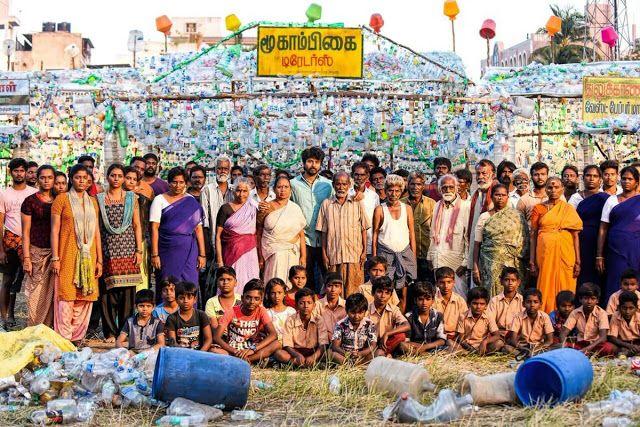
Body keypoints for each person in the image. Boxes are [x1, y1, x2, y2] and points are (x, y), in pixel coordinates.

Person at [51, 164, 102, 343]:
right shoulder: (62, 200)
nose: (82, 181)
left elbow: (96, 233)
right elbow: (54, 231)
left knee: (84, 298)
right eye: (78, 177)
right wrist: (55, 257)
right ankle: (63, 339)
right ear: (71, 179)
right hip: (67, 255)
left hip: (89, 256)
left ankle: (76, 338)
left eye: (85, 178)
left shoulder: (93, 202)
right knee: (66, 296)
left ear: (89, 181)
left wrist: (99, 261)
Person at [97, 164, 144, 343]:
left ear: (124, 178)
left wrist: (138, 250)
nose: (116, 178)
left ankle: (124, 332)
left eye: (119, 175)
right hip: (108, 250)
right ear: (107, 177)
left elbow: (137, 225)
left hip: (128, 250)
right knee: (107, 295)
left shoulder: (132, 198)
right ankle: (109, 333)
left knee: (127, 295)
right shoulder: (99, 199)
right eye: (113, 175)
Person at [530, 177, 583, 313]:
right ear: (545, 189)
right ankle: (545, 317)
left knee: (567, 284)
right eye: (550, 187)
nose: (553, 190)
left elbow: (575, 235)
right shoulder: (538, 208)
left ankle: (567, 320)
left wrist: (578, 261)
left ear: (562, 189)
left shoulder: (568, 209)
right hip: (545, 253)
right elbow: (534, 235)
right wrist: (532, 261)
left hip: (566, 253)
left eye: (556, 187)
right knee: (545, 283)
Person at [150, 167, 206, 292]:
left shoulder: (191, 201)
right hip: (166, 250)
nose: (178, 186)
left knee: (189, 284)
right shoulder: (159, 200)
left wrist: (202, 254)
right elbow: (154, 228)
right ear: (169, 182)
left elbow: (198, 229)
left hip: (189, 251)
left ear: (186, 183)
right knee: (167, 284)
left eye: (181, 182)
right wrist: (155, 255)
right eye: (174, 182)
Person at [317, 172, 369, 297]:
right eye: (338, 184)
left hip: (354, 254)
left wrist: (364, 252)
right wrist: (324, 254)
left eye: (344, 184)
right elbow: (323, 232)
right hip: (334, 254)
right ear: (333, 185)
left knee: (355, 291)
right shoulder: (326, 204)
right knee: (334, 292)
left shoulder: (357, 203)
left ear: (349, 185)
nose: (341, 187)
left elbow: (364, 229)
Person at [290, 147, 334, 294]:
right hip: (304, 238)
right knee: (304, 277)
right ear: (304, 163)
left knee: (327, 277)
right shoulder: (293, 184)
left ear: (321, 164)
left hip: (324, 238)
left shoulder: (328, 184)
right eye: (310, 161)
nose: (313, 165)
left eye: (316, 162)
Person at [0, 158, 38, 328]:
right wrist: (1, 249)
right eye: (16, 171)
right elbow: (0, 223)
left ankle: (35, 318)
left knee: (31, 280)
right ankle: (6, 316)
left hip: (29, 242)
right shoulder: (4, 193)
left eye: (22, 170)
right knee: (7, 280)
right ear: (11, 173)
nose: (19, 174)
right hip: (9, 240)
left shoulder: (33, 193)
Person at [472, 184, 528, 297]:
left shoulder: (517, 216)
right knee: (491, 294)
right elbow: (477, 244)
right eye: (497, 195)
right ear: (492, 196)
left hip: (513, 263)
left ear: (508, 197)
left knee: (513, 292)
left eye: (503, 195)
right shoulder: (484, 217)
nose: (500, 198)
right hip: (490, 263)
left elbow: (524, 238)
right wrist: (475, 268)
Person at [372, 174, 417, 311]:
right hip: (386, 255)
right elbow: (375, 233)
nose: (394, 194)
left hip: (404, 254)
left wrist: (412, 257)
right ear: (385, 190)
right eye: (390, 190)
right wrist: (375, 258)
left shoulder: (407, 208)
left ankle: (400, 323)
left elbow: (411, 234)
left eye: (397, 190)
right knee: (386, 292)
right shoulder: (380, 209)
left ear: (401, 191)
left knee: (403, 292)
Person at [596, 166, 640, 301]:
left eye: (630, 179)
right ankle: (612, 314)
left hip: (636, 249)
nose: (626, 181)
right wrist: (599, 255)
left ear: (637, 182)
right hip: (615, 250)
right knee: (616, 279)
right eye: (624, 179)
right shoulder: (611, 200)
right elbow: (603, 228)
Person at [212, 279, 280, 363]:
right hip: (234, 349)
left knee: (277, 344)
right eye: (248, 297)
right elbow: (216, 337)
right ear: (242, 298)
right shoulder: (232, 311)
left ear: (260, 301)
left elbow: (273, 334)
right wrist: (234, 351)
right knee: (214, 351)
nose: (252, 302)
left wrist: (253, 349)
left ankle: (247, 360)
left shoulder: (261, 310)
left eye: (256, 299)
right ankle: (248, 359)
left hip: (252, 349)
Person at [21, 165, 56, 327]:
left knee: (53, 292)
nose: (46, 181)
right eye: (43, 177)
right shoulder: (30, 201)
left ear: (54, 179)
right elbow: (25, 231)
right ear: (38, 179)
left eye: (49, 177)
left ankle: (49, 328)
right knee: (35, 291)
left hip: (56, 253)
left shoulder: (60, 200)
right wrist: (26, 257)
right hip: (36, 251)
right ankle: (34, 326)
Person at [257, 176, 306, 285]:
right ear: (274, 189)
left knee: (291, 284)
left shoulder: (295, 208)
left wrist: (303, 257)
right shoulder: (266, 206)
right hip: (273, 253)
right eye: (279, 187)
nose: (283, 190)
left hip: (292, 252)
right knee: (274, 284)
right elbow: (259, 233)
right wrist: (260, 257)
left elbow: (301, 234)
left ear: (290, 190)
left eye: (286, 187)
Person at [428, 174, 470, 296]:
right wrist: (430, 257)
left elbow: (467, 237)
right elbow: (433, 234)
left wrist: (465, 263)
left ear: (457, 188)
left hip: (456, 263)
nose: (447, 190)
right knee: (439, 297)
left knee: (459, 297)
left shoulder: (465, 207)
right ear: (439, 189)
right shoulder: (436, 206)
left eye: (451, 187)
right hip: (438, 259)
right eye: (444, 187)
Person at [216, 177, 259, 293]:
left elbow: (258, 232)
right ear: (233, 191)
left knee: (250, 284)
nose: (241, 194)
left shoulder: (254, 208)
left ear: (249, 192)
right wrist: (220, 261)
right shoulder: (225, 208)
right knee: (229, 283)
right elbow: (218, 236)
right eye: (238, 190)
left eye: (245, 191)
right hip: (230, 253)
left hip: (250, 254)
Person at [571, 165, 609, 290]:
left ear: (600, 179)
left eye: (595, 176)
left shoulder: (606, 199)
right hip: (579, 242)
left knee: (599, 274)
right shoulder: (575, 198)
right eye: (588, 175)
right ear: (583, 178)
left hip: (601, 241)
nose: (591, 179)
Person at [560, 282, 614, 356]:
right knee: (556, 343)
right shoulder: (575, 313)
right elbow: (564, 332)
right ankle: (578, 353)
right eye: (586, 298)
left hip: (595, 345)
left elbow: (603, 337)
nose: (589, 302)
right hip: (580, 344)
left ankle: (582, 353)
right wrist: (564, 346)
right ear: (580, 299)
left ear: (597, 300)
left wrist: (587, 349)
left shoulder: (602, 313)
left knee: (608, 347)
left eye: (593, 299)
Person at [276, 287, 326, 367]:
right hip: (296, 351)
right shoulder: (290, 320)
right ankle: (302, 364)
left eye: (309, 303)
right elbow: (287, 344)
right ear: (296, 305)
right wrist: (297, 355)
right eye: (302, 303)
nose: (306, 306)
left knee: (329, 354)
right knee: (279, 354)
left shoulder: (319, 319)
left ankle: (300, 364)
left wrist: (314, 357)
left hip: (313, 351)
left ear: (314, 305)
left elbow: (323, 344)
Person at [402, 172, 436, 282]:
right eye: (412, 184)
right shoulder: (400, 203)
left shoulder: (432, 204)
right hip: (405, 255)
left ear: (423, 186)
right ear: (407, 185)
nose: (415, 188)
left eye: (419, 184)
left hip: (426, 255)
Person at [467, 159, 496, 284]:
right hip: (477, 249)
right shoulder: (476, 194)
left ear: (493, 175)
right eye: (478, 174)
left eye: (484, 173)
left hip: (493, 251)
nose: (480, 177)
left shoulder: (498, 194)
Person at [123, 166, 151, 292]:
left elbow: (143, 223)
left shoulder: (142, 200)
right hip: (120, 243)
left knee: (140, 277)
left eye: (134, 179)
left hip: (140, 241)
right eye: (128, 178)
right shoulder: (111, 197)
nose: (131, 181)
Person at [398, 282, 446, 355]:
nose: (424, 303)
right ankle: (428, 355)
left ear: (433, 300)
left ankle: (426, 354)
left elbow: (442, 340)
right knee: (403, 346)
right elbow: (406, 341)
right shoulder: (409, 317)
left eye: (428, 299)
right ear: (415, 300)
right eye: (420, 299)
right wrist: (421, 347)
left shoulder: (438, 315)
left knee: (451, 346)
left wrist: (426, 347)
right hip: (416, 347)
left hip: (432, 347)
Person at [452, 287, 503, 355]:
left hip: (482, 346)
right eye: (475, 303)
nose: (478, 307)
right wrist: (471, 349)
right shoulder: (463, 316)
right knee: (450, 343)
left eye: (482, 304)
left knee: (499, 343)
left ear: (486, 305)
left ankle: (475, 354)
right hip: (467, 346)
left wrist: (485, 341)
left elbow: (497, 335)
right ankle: (472, 354)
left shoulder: (488, 316)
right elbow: (460, 339)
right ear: (469, 304)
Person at [330, 293, 377, 365]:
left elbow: (373, 345)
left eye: (360, 312)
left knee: (379, 353)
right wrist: (348, 354)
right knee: (330, 353)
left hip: (362, 356)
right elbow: (335, 346)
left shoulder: (369, 324)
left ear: (365, 312)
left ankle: (355, 365)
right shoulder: (340, 324)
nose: (356, 316)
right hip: (345, 356)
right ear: (346, 310)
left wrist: (360, 354)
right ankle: (350, 364)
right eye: (353, 312)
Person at [368, 277, 410, 357]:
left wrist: (387, 334)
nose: (383, 296)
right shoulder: (366, 309)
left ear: (390, 295)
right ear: (373, 293)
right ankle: (385, 355)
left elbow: (407, 326)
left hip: (386, 342)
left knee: (401, 336)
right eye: (379, 292)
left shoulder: (393, 308)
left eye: (387, 293)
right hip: (370, 343)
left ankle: (386, 354)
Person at [504, 288, 553, 355]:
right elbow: (513, 340)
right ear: (523, 304)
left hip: (538, 347)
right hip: (522, 347)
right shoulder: (518, 317)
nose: (532, 305)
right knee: (507, 348)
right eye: (529, 302)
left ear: (540, 304)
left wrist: (535, 350)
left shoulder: (545, 317)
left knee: (555, 348)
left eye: (535, 302)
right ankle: (526, 356)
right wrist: (524, 349)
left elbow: (550, 340)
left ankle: (527, 357)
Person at [165, 281, 212, 350]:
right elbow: (173, 342)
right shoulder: (172, 318)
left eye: (189, 297)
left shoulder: (201, 315)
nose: (185, 301)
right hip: (180, 353)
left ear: (195, 299)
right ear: (177, 300)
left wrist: (201, 353)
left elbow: (208, 339)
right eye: (182, 298)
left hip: (200, 352)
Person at [349, 162, 380, 260]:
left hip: (369, 243)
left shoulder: (373, 196)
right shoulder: (347, 194)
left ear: (367, 176)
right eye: (356, 174)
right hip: (350, 242)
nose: (359, 177)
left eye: (362, 175)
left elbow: (376, 221)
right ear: (352, 175)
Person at [433, 267, 467, 346]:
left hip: (456, 337)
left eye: (449, 282)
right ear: (437, 283)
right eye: (442, 282)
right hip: (437, 337)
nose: (446, 286)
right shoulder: (432, 300)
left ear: (454, 282)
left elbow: (464, 324)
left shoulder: (460, 301)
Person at [486, 267, 524, 337]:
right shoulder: (495, 300)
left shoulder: (522, 301)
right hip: (498, 334)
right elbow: (490, 320)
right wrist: (496, 334)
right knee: (497, 344)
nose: (510, 283)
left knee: (510, 348)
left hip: (516, 335)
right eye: (506, 280)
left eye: (513, 280)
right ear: (501, 281)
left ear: (518, 282)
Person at [313, 272, 346, 345]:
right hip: (322, 342)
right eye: (330, 286)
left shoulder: (346, 305)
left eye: (336, 286)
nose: (333, 289)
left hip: (343, 342)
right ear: (325, 288)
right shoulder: (317, 305)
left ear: (341, 289)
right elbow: (314, 326)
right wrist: (327, 334)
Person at [263, 278, 296, 344]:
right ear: (269, 295)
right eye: (273, 293)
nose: (276, 296)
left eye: (279, 293)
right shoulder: (267, 312)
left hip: (289, 343)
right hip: (272, 345)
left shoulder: (291, 311)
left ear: (284, 293)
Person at [607, 291, 640, 356]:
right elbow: (612, 337)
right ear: (619, 307)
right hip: (622, 344)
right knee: (609, 347)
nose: (627, 312)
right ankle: (628, 353)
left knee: (634, 350)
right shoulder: (615, 316)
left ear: (636, 308)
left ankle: (630, 353)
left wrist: (636, 347)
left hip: (637, 343)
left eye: (631, 308)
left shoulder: (639, 317)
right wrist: (628, 345)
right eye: (624, 308)